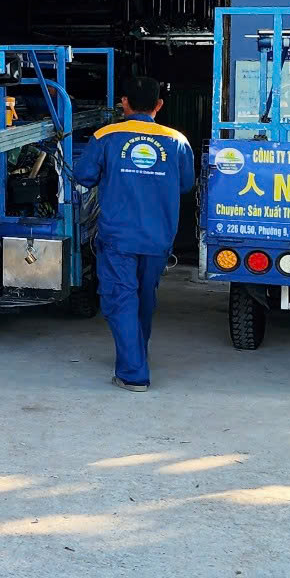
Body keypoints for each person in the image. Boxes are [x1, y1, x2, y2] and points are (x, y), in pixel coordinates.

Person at [71, 76, 194, 390]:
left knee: (120, 298)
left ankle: (133, 373)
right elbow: (185, 184)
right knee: (144, 297)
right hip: (158, 237)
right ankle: (138, 353)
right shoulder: (177, 140)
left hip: (119, 236)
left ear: (124, 102)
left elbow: (83, 176)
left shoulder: (106, 136)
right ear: (159, 105)